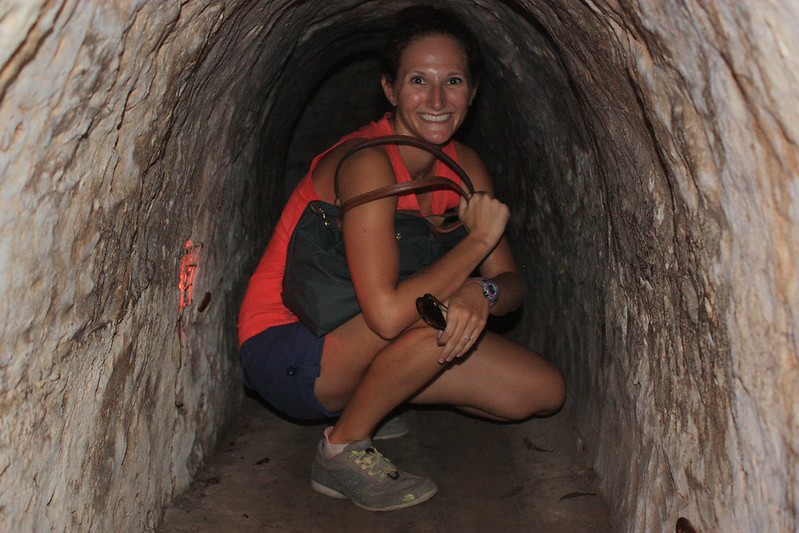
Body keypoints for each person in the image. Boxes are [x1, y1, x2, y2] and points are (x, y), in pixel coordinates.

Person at [237, 5, 566, 511]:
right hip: (290, 348)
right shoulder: (367, 163)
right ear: (390, 90)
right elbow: (389, 316)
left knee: (542, 391)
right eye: (418, 80)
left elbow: (511, 282)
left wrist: (483, 291)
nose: (436, 100)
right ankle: (341, 448)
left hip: (378, 333)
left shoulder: (464, 166)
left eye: (453, 81)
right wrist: (476, 243)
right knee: (432, 318)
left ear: (472, 92)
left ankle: (379, 391)